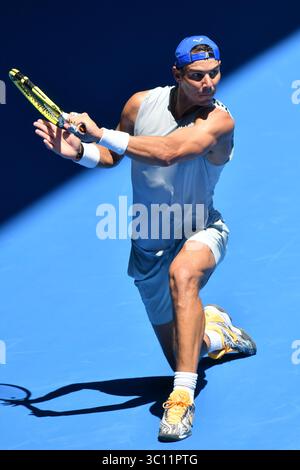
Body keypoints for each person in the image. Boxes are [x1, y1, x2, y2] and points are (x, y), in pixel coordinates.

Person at [33, 35, 256, 442]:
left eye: (214, 73)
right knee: (185, 354)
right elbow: (113, 157)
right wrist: (77, 152)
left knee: (183, 274)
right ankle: (216, 331)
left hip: (200, 228)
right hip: (147, 244)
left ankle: (181, 401)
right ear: (176, 74)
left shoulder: (220, 120)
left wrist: (98, 133)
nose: (208, 84)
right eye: (196, 76)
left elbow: (171, 151)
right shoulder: (139, 105)